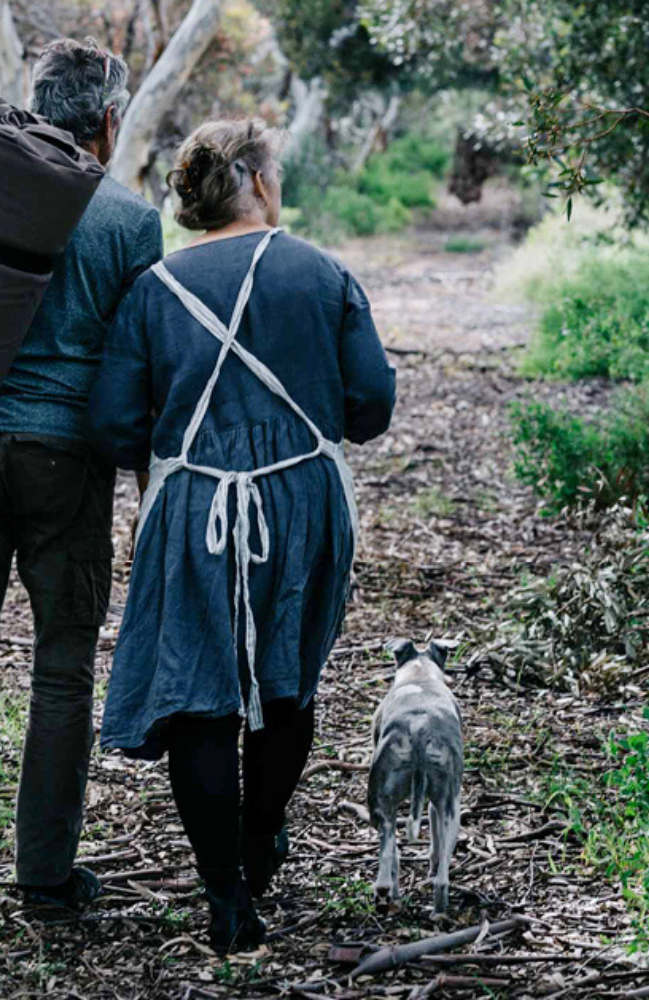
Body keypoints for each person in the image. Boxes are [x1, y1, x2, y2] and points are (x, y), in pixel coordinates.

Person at [86, 120, 396, 952]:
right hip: (301, 498)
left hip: (194, 508)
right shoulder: (322, 275)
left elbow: (117, 425)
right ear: (255, 178)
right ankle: (261, 840)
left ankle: (226, 897)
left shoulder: (155, 289)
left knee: (197, 694)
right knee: (286, 675)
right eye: (280, 171)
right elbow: (372, 405)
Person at [0, 40, 163, 912]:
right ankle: (44, 875)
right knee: (61, 664)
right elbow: (138, 364)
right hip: (67, 458)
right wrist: (142, 481)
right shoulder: (126, 219)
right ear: (108, 122)